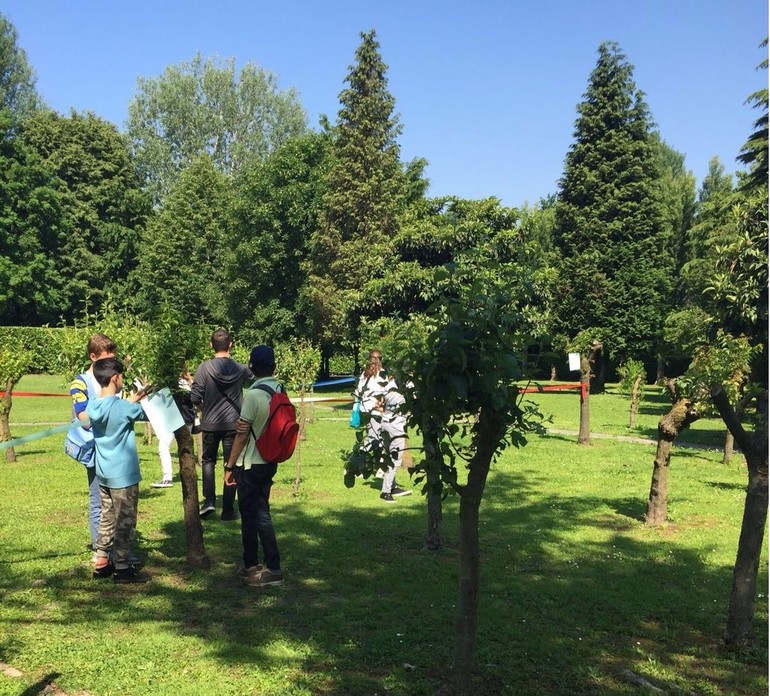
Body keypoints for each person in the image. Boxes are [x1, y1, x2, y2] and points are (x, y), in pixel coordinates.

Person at [224, 345, 284, 587]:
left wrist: (229, 466)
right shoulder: (279, 390)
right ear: (273, 367)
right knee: (254, 514)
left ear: (252, 368)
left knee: (257, 515)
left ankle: (272, 567)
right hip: (270, 459)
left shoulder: (253, 395)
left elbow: (241, 435)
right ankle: (250, 563)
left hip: (251, 463)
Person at [87, 357, 151, 584]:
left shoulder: (93, 404)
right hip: (124, 475)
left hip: (104, 472)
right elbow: (145, 413)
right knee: (125, 519)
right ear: (115, 378)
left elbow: (115, 408)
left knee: (107, 515)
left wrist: (135, 398)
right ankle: (122, 568)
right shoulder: (124, 408)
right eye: (121, 376)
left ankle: (102, 560)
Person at [190, 329, 252, 520]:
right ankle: (228, 510)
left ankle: (209, 501)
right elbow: (254, 377)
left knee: (208, 461)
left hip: (210, 424)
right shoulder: (240, 369)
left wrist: (205, 405)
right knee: (231, 463)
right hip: (234, 424)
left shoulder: (203, 368)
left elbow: (194, 397)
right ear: (230, 344)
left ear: (211, 345)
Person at [69, 333, 117, 553]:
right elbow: (84, 420)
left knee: (117, 501)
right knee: (98, 500)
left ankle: (117, 546)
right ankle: (102, 551)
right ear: (93, 357)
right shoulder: (80, 382)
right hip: (95, 451)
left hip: (115, 448)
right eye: (107, 359)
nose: (112, 364)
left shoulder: (114, 377)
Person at [355, 350, 412, 502]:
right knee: (377, 445)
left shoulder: (365, 374)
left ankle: (391, 485)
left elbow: (361, 393)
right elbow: (386, 396)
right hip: (383, 416)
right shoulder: (384, 377)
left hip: (377, 414)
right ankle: (359, 468)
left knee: (384, 449)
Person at [151, 368, 197, 489]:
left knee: (180, 449)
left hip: (183, 420)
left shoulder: (185, 383)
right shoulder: (170, 382)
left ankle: (175, 476)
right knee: (165, 445)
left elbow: (198, 396)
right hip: (176, 420)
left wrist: (190, 380)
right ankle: (168, 477)